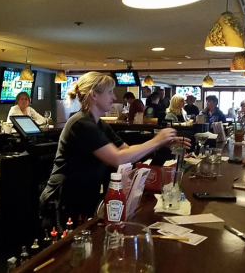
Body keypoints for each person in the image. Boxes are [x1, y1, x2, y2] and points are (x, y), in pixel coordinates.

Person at [39, 72, 190, 230]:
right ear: (94, 95)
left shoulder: (98, 124)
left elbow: (127, 150)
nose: (114, 97)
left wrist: (161, 144)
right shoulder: (81, 123)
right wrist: (156, 140)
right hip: (64, 199)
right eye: (110, 92)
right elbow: (118, 159)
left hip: (82, 196)